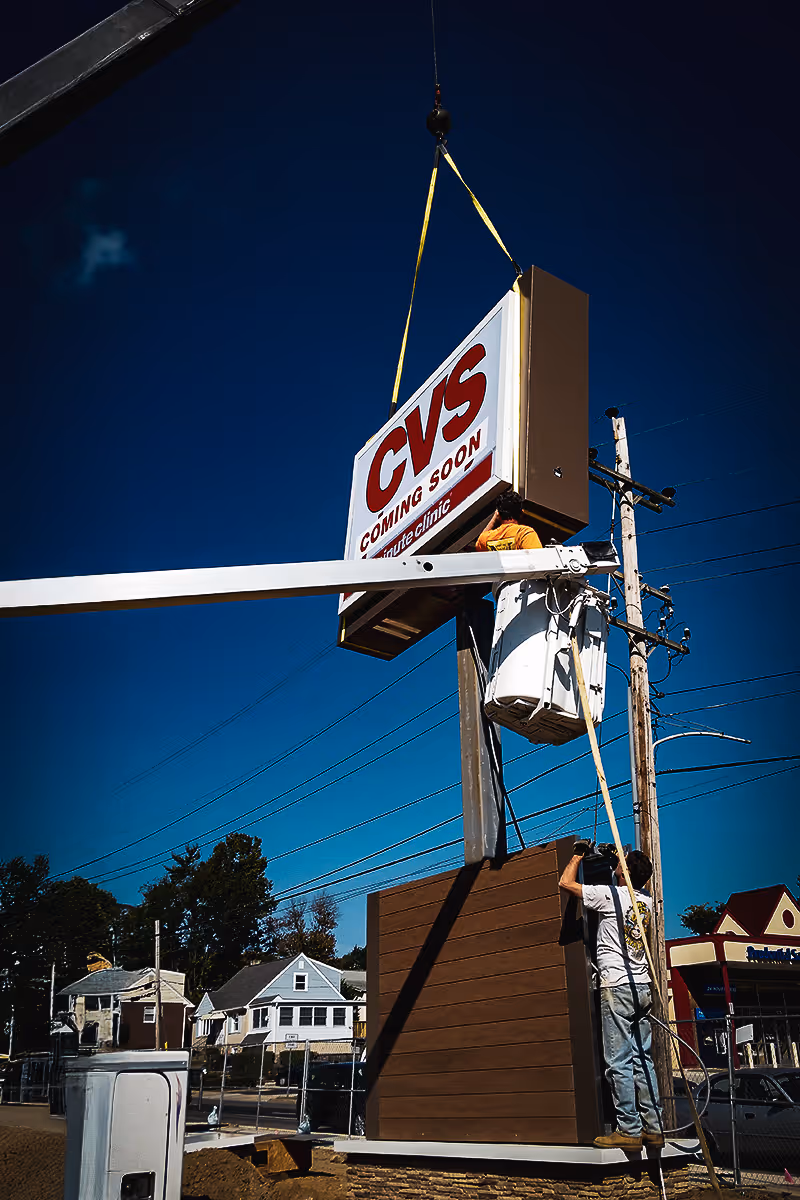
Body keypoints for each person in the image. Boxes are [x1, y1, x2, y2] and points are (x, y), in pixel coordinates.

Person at [559, 842, 664, 1150]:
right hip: (642, 985)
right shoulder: (647, 902)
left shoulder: (611, 895)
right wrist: (619, 858)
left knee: (617, 1061)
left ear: (624, 873)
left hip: (617, 986)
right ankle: (654, 1127)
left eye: (621, 865)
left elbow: (565, 883)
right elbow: (628, 874)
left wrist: (578, 853)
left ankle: (629, 1130)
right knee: (642, 1059)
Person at [475, 490, 543, 552]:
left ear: (498, 514)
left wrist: (495, 517)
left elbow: (478, 544)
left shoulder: (486, 538)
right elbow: (537, 560)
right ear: (521, 513)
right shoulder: (524, 533)